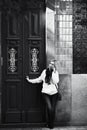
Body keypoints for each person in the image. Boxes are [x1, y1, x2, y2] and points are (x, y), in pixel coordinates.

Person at [26, 60, 59, 129]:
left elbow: (56, 81)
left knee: (53, 109)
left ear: (54, 66)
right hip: (45, 93)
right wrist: (30, 80)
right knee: (49, 108)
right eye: (50, 64)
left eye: (52, 64)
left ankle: (50, 124)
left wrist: (53, 72)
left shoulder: (55, 73)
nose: (51, 65)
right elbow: (39, 79)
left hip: (54, 93)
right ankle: (49, 123)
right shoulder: (44, 72)